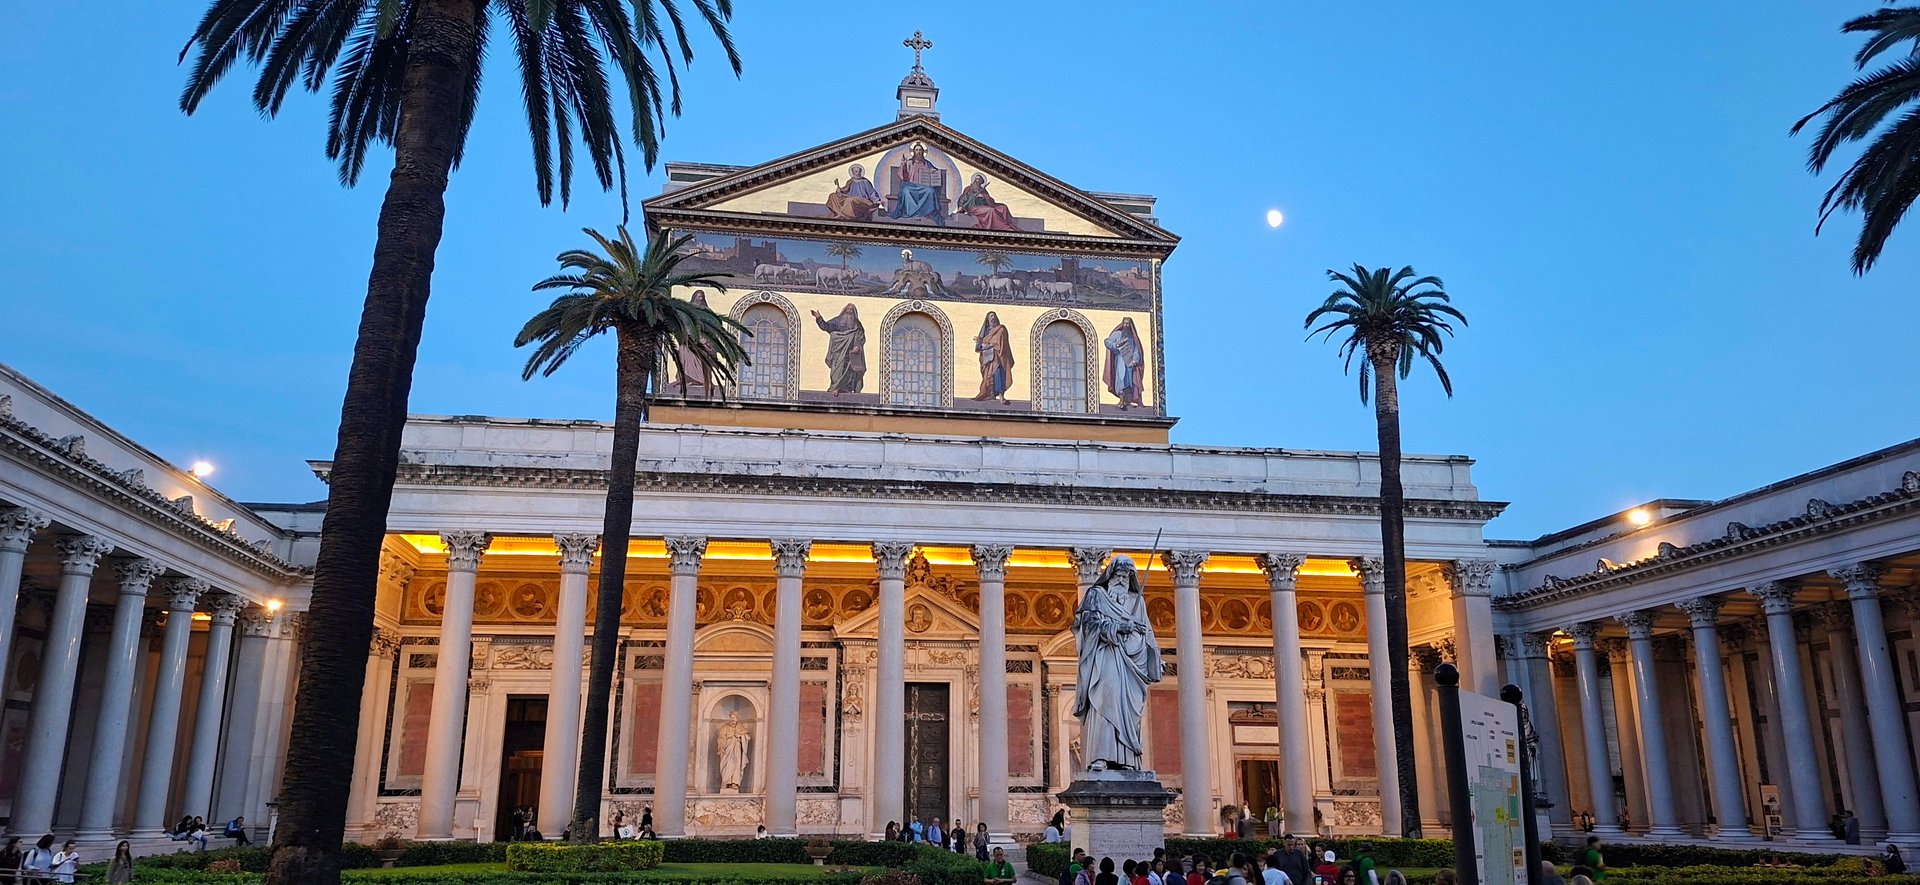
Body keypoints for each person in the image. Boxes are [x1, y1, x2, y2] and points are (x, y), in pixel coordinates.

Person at [1102, 317, 1146, 409]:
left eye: (1127, 324)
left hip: (1129, 363)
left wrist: (1135, 360)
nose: (1126, 325)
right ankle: (1121, 400)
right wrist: (1116, 345)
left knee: (1129, 382)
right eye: (1124, 323)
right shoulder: (1118, 334)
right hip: (1120, 361)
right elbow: (1107, 341)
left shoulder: (1132, 338)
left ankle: (1128, 402)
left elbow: (1136, 351)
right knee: (1121, 379)